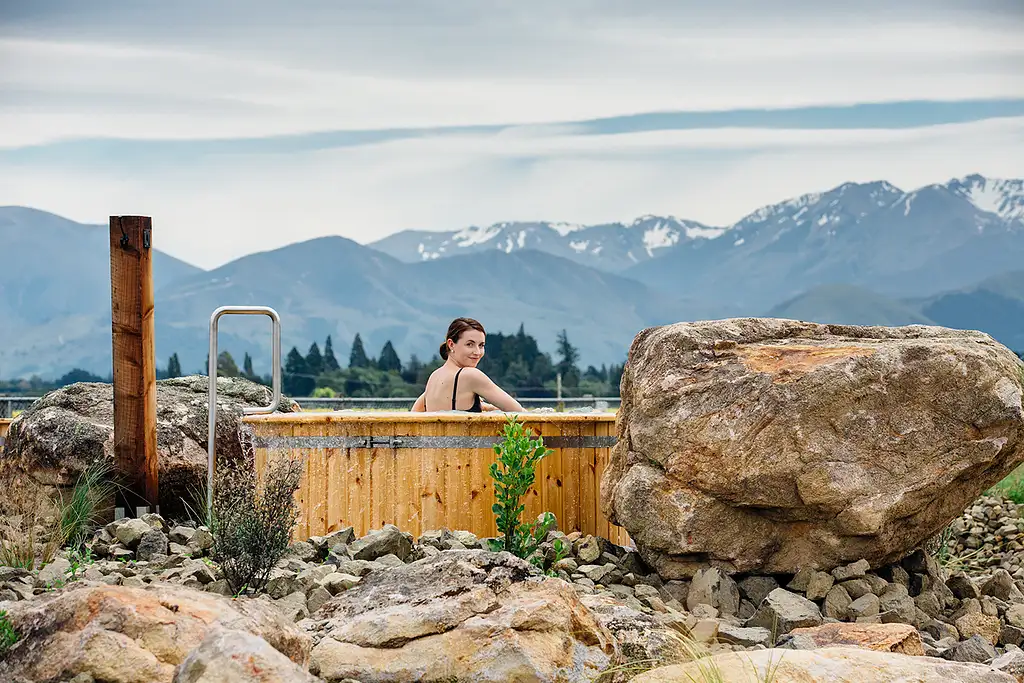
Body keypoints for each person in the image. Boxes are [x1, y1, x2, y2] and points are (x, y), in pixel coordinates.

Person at [411, 317, 524, 412]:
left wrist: (485, 407)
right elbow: (520, 412)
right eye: (470, 344)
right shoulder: (470, 375)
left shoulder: (434, 377)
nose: (477, 352)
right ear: (451, 344)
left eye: (481, 345)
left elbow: (414, 414)